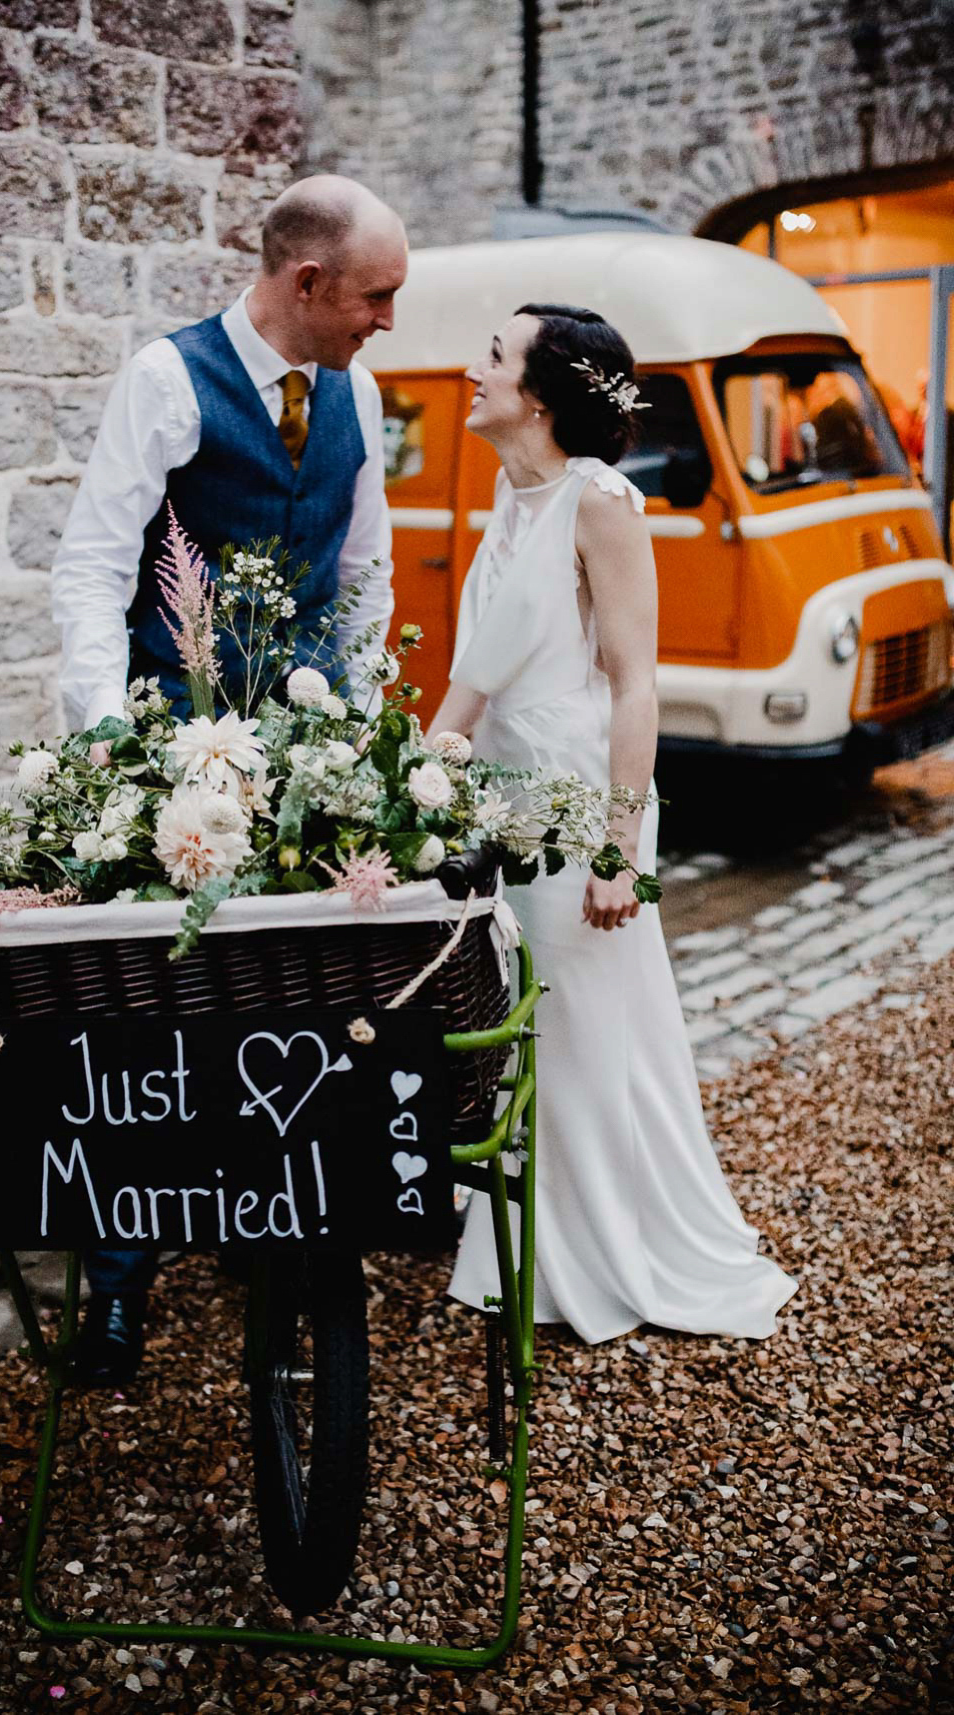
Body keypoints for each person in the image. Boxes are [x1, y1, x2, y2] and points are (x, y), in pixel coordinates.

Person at [50, 175, 407, 1382]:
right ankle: (117, 1278)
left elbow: (366, 577)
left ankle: (285, 1224)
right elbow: (95, 564)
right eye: (377, 296)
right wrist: (108, 740)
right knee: (150, 1003)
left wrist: (356, 736)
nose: (387, 321)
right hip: (171, 736)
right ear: (307, 283)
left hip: (307, 753)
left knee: (300, 990)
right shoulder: (167, 378)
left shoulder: (362, 396)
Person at [430, 304, 797, 1344]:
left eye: (492, 355)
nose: (472, 367)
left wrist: (618, 851)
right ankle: (532, 1242)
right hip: (501, 791)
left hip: (574, 799)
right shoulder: (513, 493)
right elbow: (471, 678)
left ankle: (604, 1256)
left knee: (584, 1024)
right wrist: (403, 788)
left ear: (542, 395)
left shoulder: (603, 504)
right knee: (527, 1017)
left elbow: (638, 685)